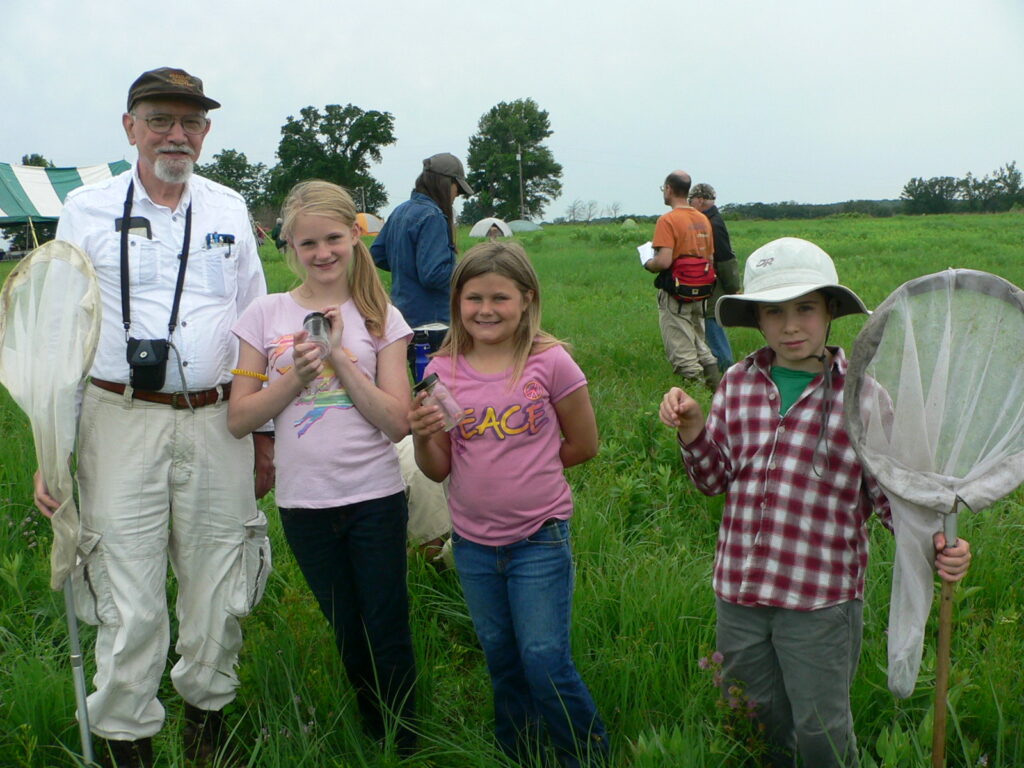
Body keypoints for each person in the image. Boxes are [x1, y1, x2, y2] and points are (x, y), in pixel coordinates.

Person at [33, 67, 273, 768]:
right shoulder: (84, 208)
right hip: (118, 416)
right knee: (127, 590)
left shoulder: (228, 209)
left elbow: (256, 324)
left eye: (191, 122)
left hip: (217, 417)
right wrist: (55, 450)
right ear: (130, 126)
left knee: (221, 581)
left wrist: (263, 435)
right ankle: (124, 736)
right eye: (161, 119)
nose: (177, 134)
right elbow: (59, 329)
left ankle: (207, 715)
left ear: (206, 132)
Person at [658, 237, 972, 767]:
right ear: (757, 319)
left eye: (805, 307)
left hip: (820, 602)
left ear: (830, 310)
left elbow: (893, 498)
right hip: (740, 593)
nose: (791, 326)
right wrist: (693, 431)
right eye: (774, 311)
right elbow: (714, 480)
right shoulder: (736, 384)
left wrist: (939, 544)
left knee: (821, 730)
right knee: (754, 720)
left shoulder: (864, 398)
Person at [227, 180, 418, 754]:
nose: (322, 253)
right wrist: (298, 377)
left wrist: (337, 357)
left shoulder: (381, 315)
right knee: (346, 627)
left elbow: (397, 421)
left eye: (334, 238)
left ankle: (404, 739)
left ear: (356, 238)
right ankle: (371, 727)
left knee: (386, 623)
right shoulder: (264, 315)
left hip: (375, 496)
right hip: (305, 503)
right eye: (307, 243)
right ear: (288, 245)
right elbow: (239, 419)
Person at [410, 241, 610, 767]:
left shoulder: (551, 362)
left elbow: (584, 444)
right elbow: (439, 467)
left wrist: (529, 470)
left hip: (538, 538)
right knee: (501, 657)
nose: (485, 310)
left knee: (544, 658)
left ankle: (585, 754)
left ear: (526, 299)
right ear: (456, 301)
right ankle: (518, 751)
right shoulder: (443, 369)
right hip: (473, 544)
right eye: (473, 298)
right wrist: (421, 436)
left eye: (500, 297)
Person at [371, 152, 473, 375]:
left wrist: (405, 265)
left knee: (423, 392)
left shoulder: (400, 211)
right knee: (441, 396)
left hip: (403, 320)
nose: (456, 196)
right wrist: (467, 273)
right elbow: (433, 274)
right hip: (434, 324)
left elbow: (377, 254)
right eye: (457, 189)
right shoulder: (432, 215)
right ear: (447, 184)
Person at [643, 170, 720, 389]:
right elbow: (710, 257)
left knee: (681, 350)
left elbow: (664, 261)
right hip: (701, 291)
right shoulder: (702, 219)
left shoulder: (667, 220)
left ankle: (696, 397)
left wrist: (648, 262)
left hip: (677, 293)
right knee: (699, 342)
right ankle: (717, 391)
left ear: (668, 189)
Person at [688, 183, 740, 372]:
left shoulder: (712, 223)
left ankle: (727, 371)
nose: (690, 204)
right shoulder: (709, 220)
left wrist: (733, 287)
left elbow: (725, 257)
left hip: (714, 284)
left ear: (700, 200)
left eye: (691, 200)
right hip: (711, 281)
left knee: (712, 326)